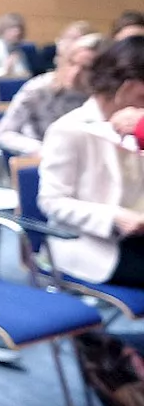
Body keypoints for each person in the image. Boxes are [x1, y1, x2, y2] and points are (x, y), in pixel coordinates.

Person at [37, 36, 144, 287]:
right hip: (90, 243)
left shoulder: (135, 129)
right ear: (127, 88)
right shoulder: (70, 129)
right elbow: (51, 201)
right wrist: (115, 217)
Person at [0, 32, 100, 156]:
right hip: (43, 159)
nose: (75, 73)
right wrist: (42, 149)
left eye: (86, 68)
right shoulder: (38, 89)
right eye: (72, 63)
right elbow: (4, 133)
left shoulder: (99, 96)